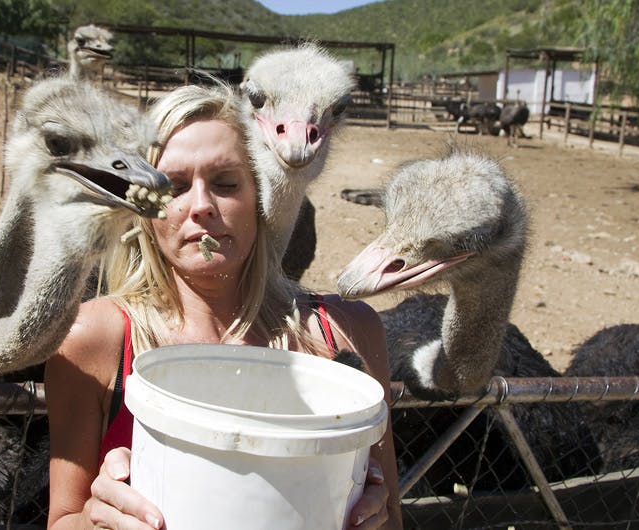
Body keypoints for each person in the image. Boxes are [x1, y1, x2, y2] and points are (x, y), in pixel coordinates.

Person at [44, 81, 402, 530]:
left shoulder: (347, 333)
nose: (200, 206)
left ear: (262, 195)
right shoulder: (93, 339)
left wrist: (375, 517)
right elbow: (62, 519)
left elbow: (391, 517)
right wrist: (94, 522)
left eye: (226, 183)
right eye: (172, 187)